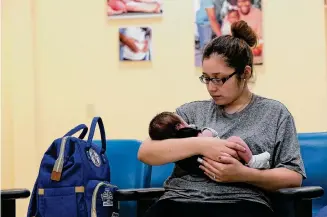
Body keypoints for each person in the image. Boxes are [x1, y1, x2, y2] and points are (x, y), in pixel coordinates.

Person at [138, 20, 306, 217]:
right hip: (180, 201)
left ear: (245, 73)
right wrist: (203, 146)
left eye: (219, 78)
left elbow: (293, 176)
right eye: (206, 78)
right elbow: (146, 152)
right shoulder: (189, 113)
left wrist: (243, 175)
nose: (211, 87)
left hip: (242, 204)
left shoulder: (274, 113)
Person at [148, 111, 271, 176]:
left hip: (206, 170)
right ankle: (252, 161)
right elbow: (204, 138)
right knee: (235, 140)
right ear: (179, 125)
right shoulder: (185, 133)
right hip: (220, 157)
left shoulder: (174, 150)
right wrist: (207, 131)